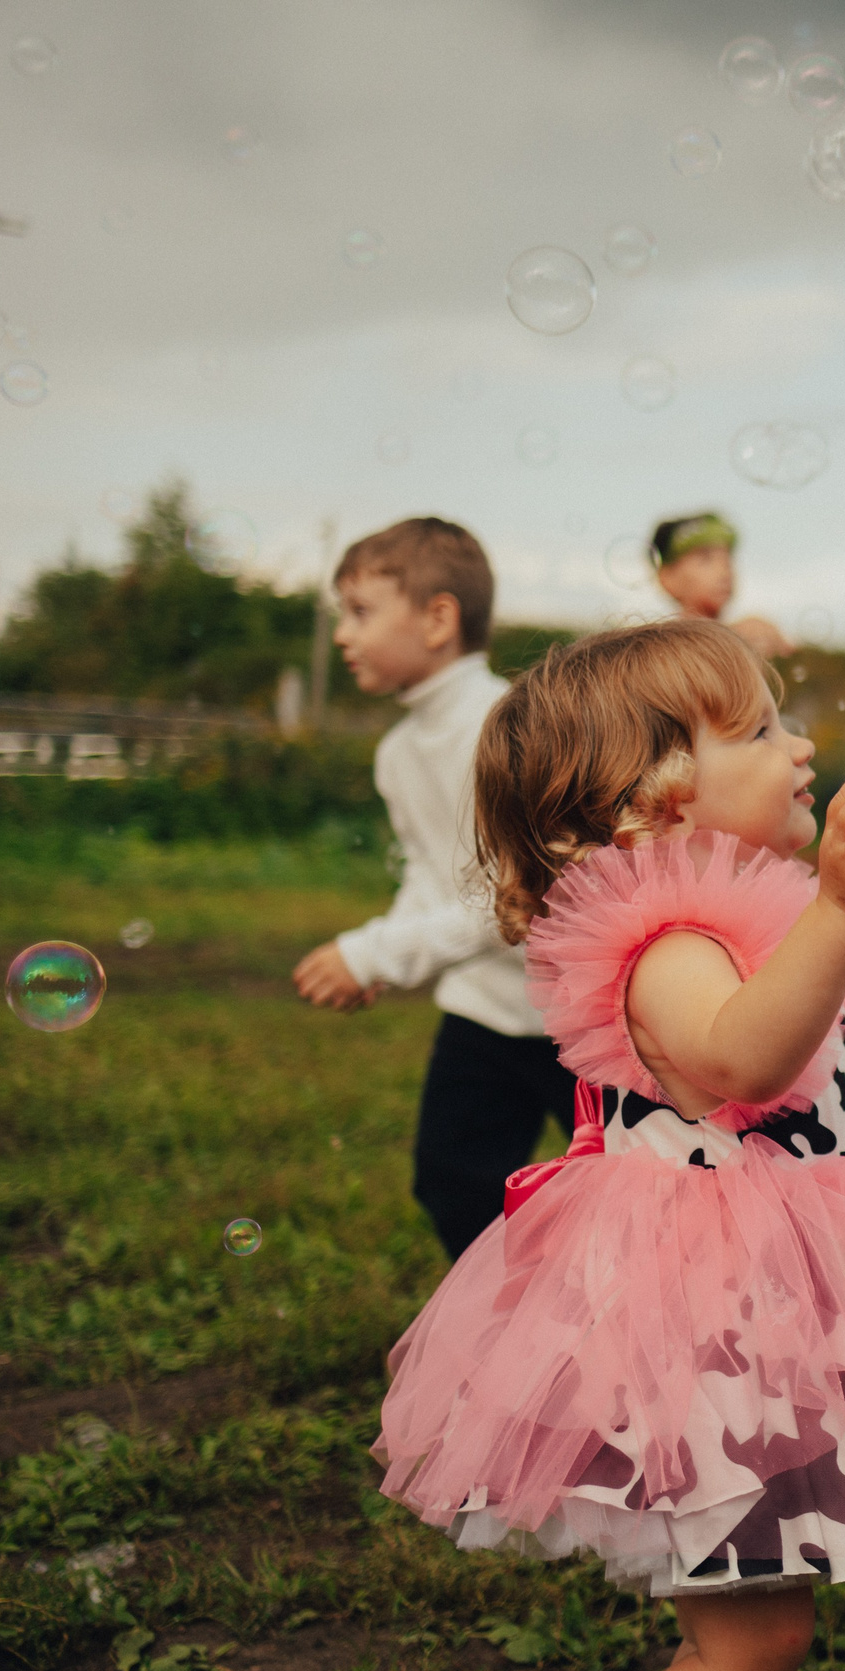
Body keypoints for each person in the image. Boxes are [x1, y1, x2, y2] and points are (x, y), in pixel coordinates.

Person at [373, 620, 845, 1671]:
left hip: (767, 1327)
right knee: (747, 1647)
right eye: (761, 728)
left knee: (765, 1637)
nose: (801, 744)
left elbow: (831, 1088)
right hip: (704, 1338)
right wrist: (838, 908)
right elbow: (740, 1056)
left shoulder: (751, 937)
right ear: (657, 794)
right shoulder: (664, 949)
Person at [292, 517, 573, 1260]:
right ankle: (511, 1331)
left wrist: (378, 953)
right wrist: (385, 951)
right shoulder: (397, 751)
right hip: (483, 1008)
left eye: (360, 612)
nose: (343, 635)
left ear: (439, 617)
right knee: (454, 1178)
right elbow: (431, 871)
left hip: (577, 1020)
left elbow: (516, 898)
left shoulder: (502, 726)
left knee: (635, 1184)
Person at [650, 512, 792, 657]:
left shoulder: (746, 637)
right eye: (705, 559)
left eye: (727, 559)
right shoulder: (659, 654)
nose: (724, 572)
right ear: (667, 578)